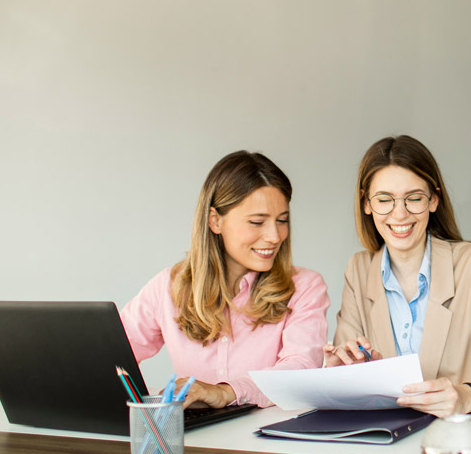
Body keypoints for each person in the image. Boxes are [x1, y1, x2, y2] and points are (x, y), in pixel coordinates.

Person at [325, 135, 471, 418]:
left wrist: (468, 396)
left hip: (464, 441)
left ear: (434, 200)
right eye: (384, 200)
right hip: (386, 443)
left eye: (414, 198)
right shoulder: (359, 269)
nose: (399, 214)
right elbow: (348, 368)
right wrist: (339, 371)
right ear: (366, 203)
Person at [121, 151, 329, 409]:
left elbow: (300, 368)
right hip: (192, 440)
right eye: (257, 222)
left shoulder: (305, 287)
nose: (275, 236)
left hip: (268, 441)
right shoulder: (167, 286)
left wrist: (227, 392)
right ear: (215, 220)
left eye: (282, 221)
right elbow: (112, 355)